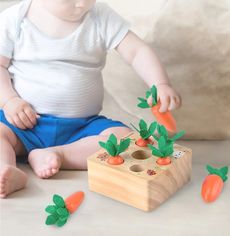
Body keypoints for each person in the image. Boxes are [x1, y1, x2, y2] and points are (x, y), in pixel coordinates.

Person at [0, 0, 181, 198]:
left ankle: (60, 154)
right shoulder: (14, 19)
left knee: (129, 142)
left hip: (82, 129)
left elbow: (136, 51)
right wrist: (9, 100)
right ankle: (5, 170)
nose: (82, 4)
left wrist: (160, 83)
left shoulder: (100, 16)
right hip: (24, 124)